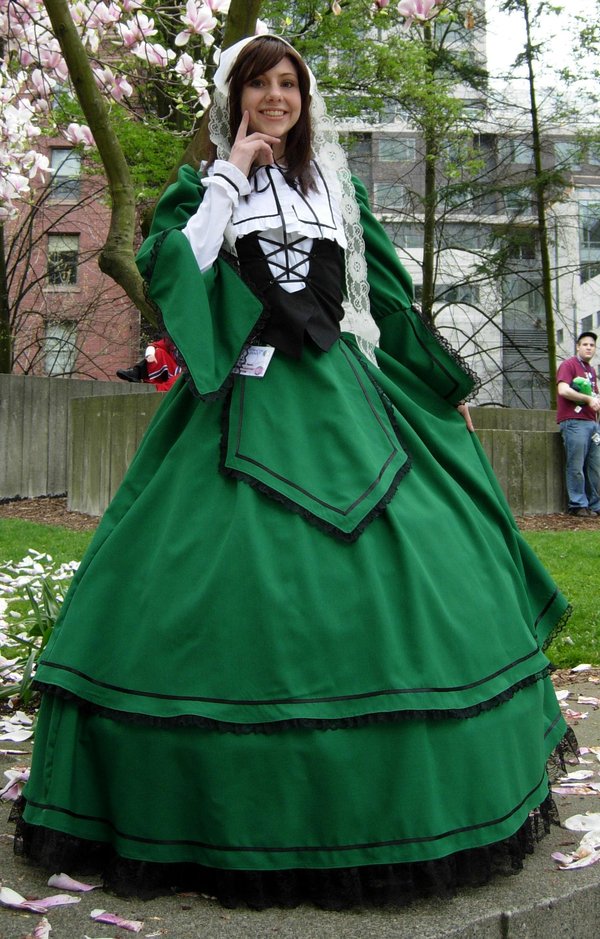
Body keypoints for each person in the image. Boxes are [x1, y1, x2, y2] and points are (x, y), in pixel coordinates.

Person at [16, 35, 571, 910]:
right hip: (239, 395)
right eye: (259, 84)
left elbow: (386, 297)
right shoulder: (202, 189)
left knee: (428, 546)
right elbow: (179, 270)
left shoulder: (336, 190)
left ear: (305, 98)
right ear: (234, 96)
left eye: (289, 84)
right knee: (199, 572)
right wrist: (232, 174)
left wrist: (442, 386)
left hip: (342, 389)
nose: (276, 97)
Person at [556, 331, 600, 517]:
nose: (589, 347)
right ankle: (578, 504)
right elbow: (563, 390)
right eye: (585, 344)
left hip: (592, 423)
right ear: (578, 347)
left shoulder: (591, 370)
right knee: (576, 465)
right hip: (574, 422)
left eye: (592, 345)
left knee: (595, 467)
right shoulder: (569, 365)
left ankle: (595, 505)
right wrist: (588, 399)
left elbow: (595, 395)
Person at [116, 337, 181, 392]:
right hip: (170, 371)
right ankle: (136, 373)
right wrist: (150, 355)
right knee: (159, 352)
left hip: (180, 375)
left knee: (178, 379)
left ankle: (144, 379)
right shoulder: (172, 341)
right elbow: (153, 346)